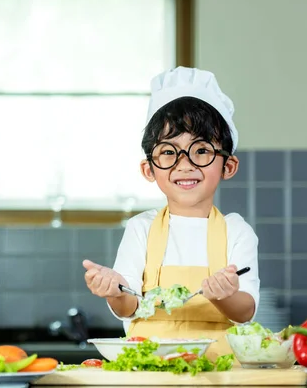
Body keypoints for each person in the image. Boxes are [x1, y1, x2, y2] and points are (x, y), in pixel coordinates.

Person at [82, 66, 260, 360]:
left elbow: (245, 312)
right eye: (168, 152)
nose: (184, 164)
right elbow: (128, 306)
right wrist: (113, 289)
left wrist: (225, 295)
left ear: (228, 166)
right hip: (149, 370)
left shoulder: (236, 232)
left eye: (201, 150)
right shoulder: (141, 228)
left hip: (216, 373)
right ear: (148, 169)